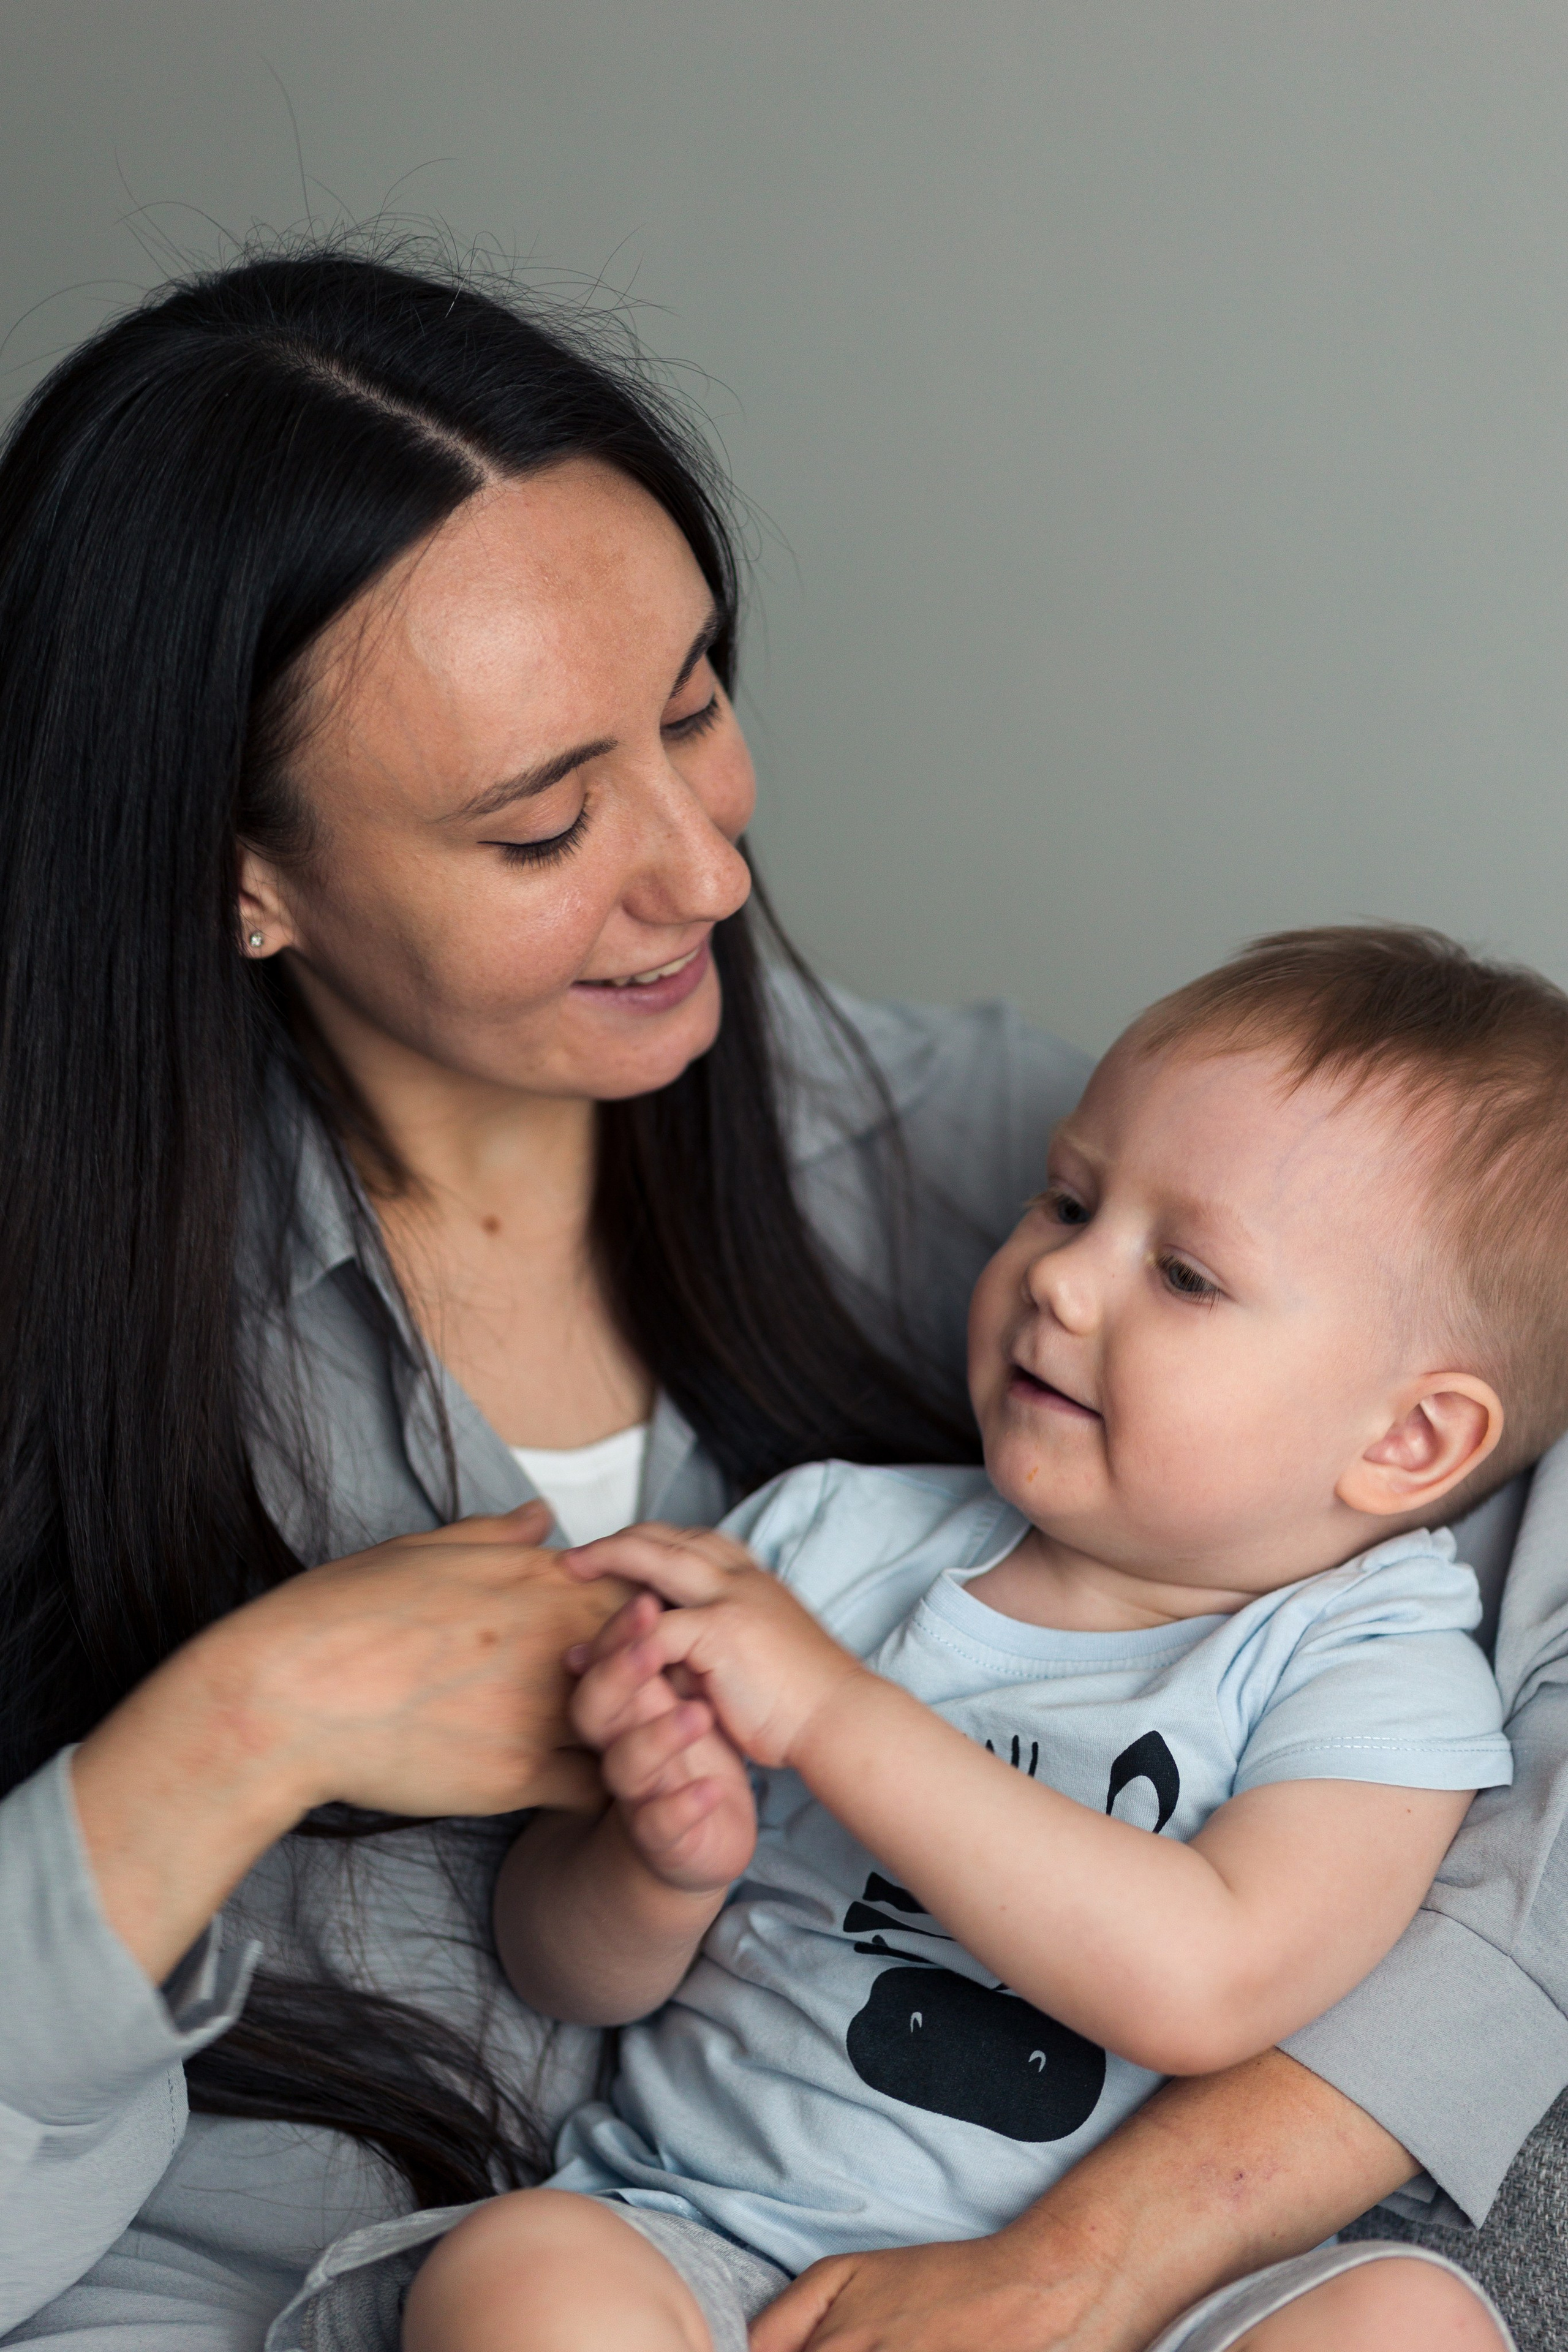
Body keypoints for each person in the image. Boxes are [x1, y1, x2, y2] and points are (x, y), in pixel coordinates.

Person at [0, 245, 1557, 2352]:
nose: (708, 875)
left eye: (696, 708)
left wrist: (1095, 2257)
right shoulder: (75, 1349)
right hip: (375, 2274)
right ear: (237, 872)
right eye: (547, 821)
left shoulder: (992, 1161)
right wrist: (230, 1739)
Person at [396, 925, 1545, 2352]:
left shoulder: (1374, 1669)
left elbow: (1205, 1979)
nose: (1060, 1282)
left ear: (1406, 1438)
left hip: (1131, 2313)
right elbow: (556, 1970)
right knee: (517, 2272)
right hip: (719, 2251)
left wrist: (828, 1718)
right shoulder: (819, 1546)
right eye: (1065, 1203)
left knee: (1402, 2318)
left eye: (1182, 1274)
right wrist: (648, 1867)